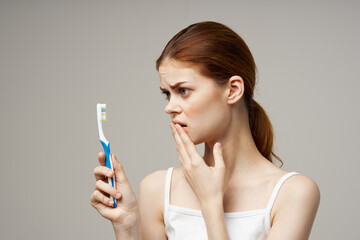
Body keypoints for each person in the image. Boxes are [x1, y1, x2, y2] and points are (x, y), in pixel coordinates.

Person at [90, 21, 320, 240]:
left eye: (183, 90)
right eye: (167, 93)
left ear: (232, 90)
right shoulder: (158, 189)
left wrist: (211, 203)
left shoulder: (293, 194)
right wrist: (127, 227)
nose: (169, 107)